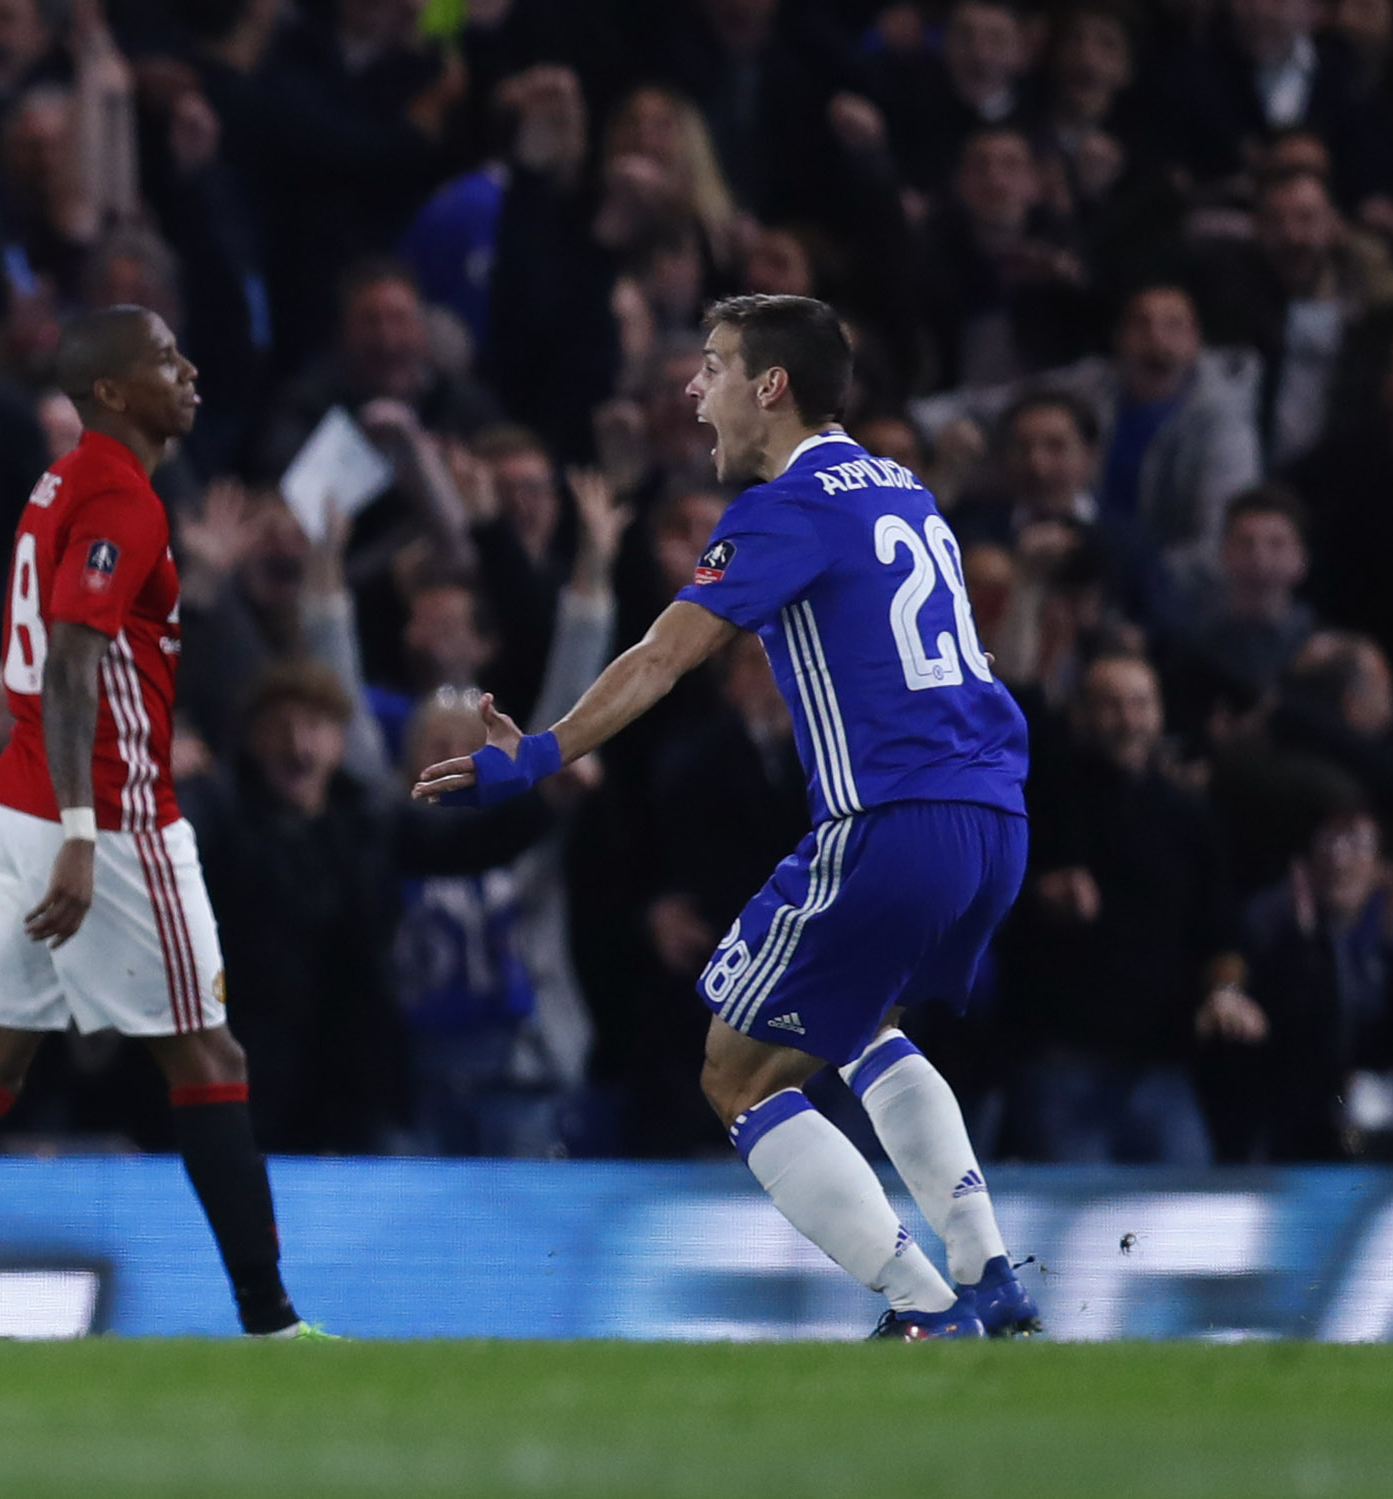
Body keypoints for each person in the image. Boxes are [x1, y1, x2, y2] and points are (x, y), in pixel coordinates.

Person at [416, 295, 1037, 1340]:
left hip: (892, 819)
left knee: (735, 1069)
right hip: (993, 814)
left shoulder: (782, 507)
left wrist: (539, 752)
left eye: (710, 368)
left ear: (771, 386)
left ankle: (921, 1304)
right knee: (860, 1022)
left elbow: (662, 654)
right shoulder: (901, 485)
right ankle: (988, 1275)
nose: (693, 391)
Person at [0, 306, 328, 1340]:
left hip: (15, 802)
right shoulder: (118, 493)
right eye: (164, 357)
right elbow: (72, 658)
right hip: (105, 816)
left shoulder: (58, 484)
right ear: (110, 390)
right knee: (209, 1061)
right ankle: (272, 1320)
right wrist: (80, 827)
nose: (189, 368)